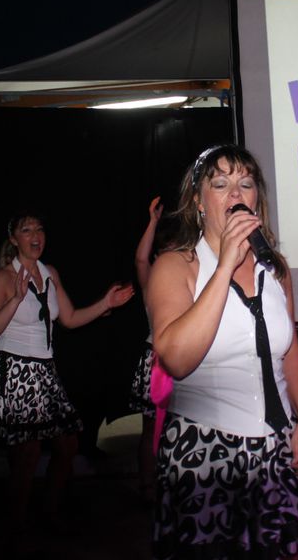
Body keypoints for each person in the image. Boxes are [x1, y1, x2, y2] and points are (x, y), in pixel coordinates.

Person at [145, 144, 298, 559]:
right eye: (220, 185)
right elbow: (176, 358)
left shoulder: (274, 267)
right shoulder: (176, 265)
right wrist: (224, 266)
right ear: (198, 202)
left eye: (245, 184)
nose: (235, 195)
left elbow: (288, 347)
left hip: (275, 448)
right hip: (206, 451)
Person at [0, 212, 135, 529]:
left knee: (68, 445)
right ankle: (16, 529)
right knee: (27, 454)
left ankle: (48, 512)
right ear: (13, 239)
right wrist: (15, 300)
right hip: (14, 370)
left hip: (44, 372)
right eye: (26, 230)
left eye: (40, 229)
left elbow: (71, 318)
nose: (35, 235)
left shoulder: (51, 274)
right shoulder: (3, 278)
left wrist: (106, 303)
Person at [130, 196, 164, 502]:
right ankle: (147, 486)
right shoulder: (152, 281)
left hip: (188, 362)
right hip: (156, 360)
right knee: (151, 428)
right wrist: (153, 221)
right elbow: (141, 260)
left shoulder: (194, 281)